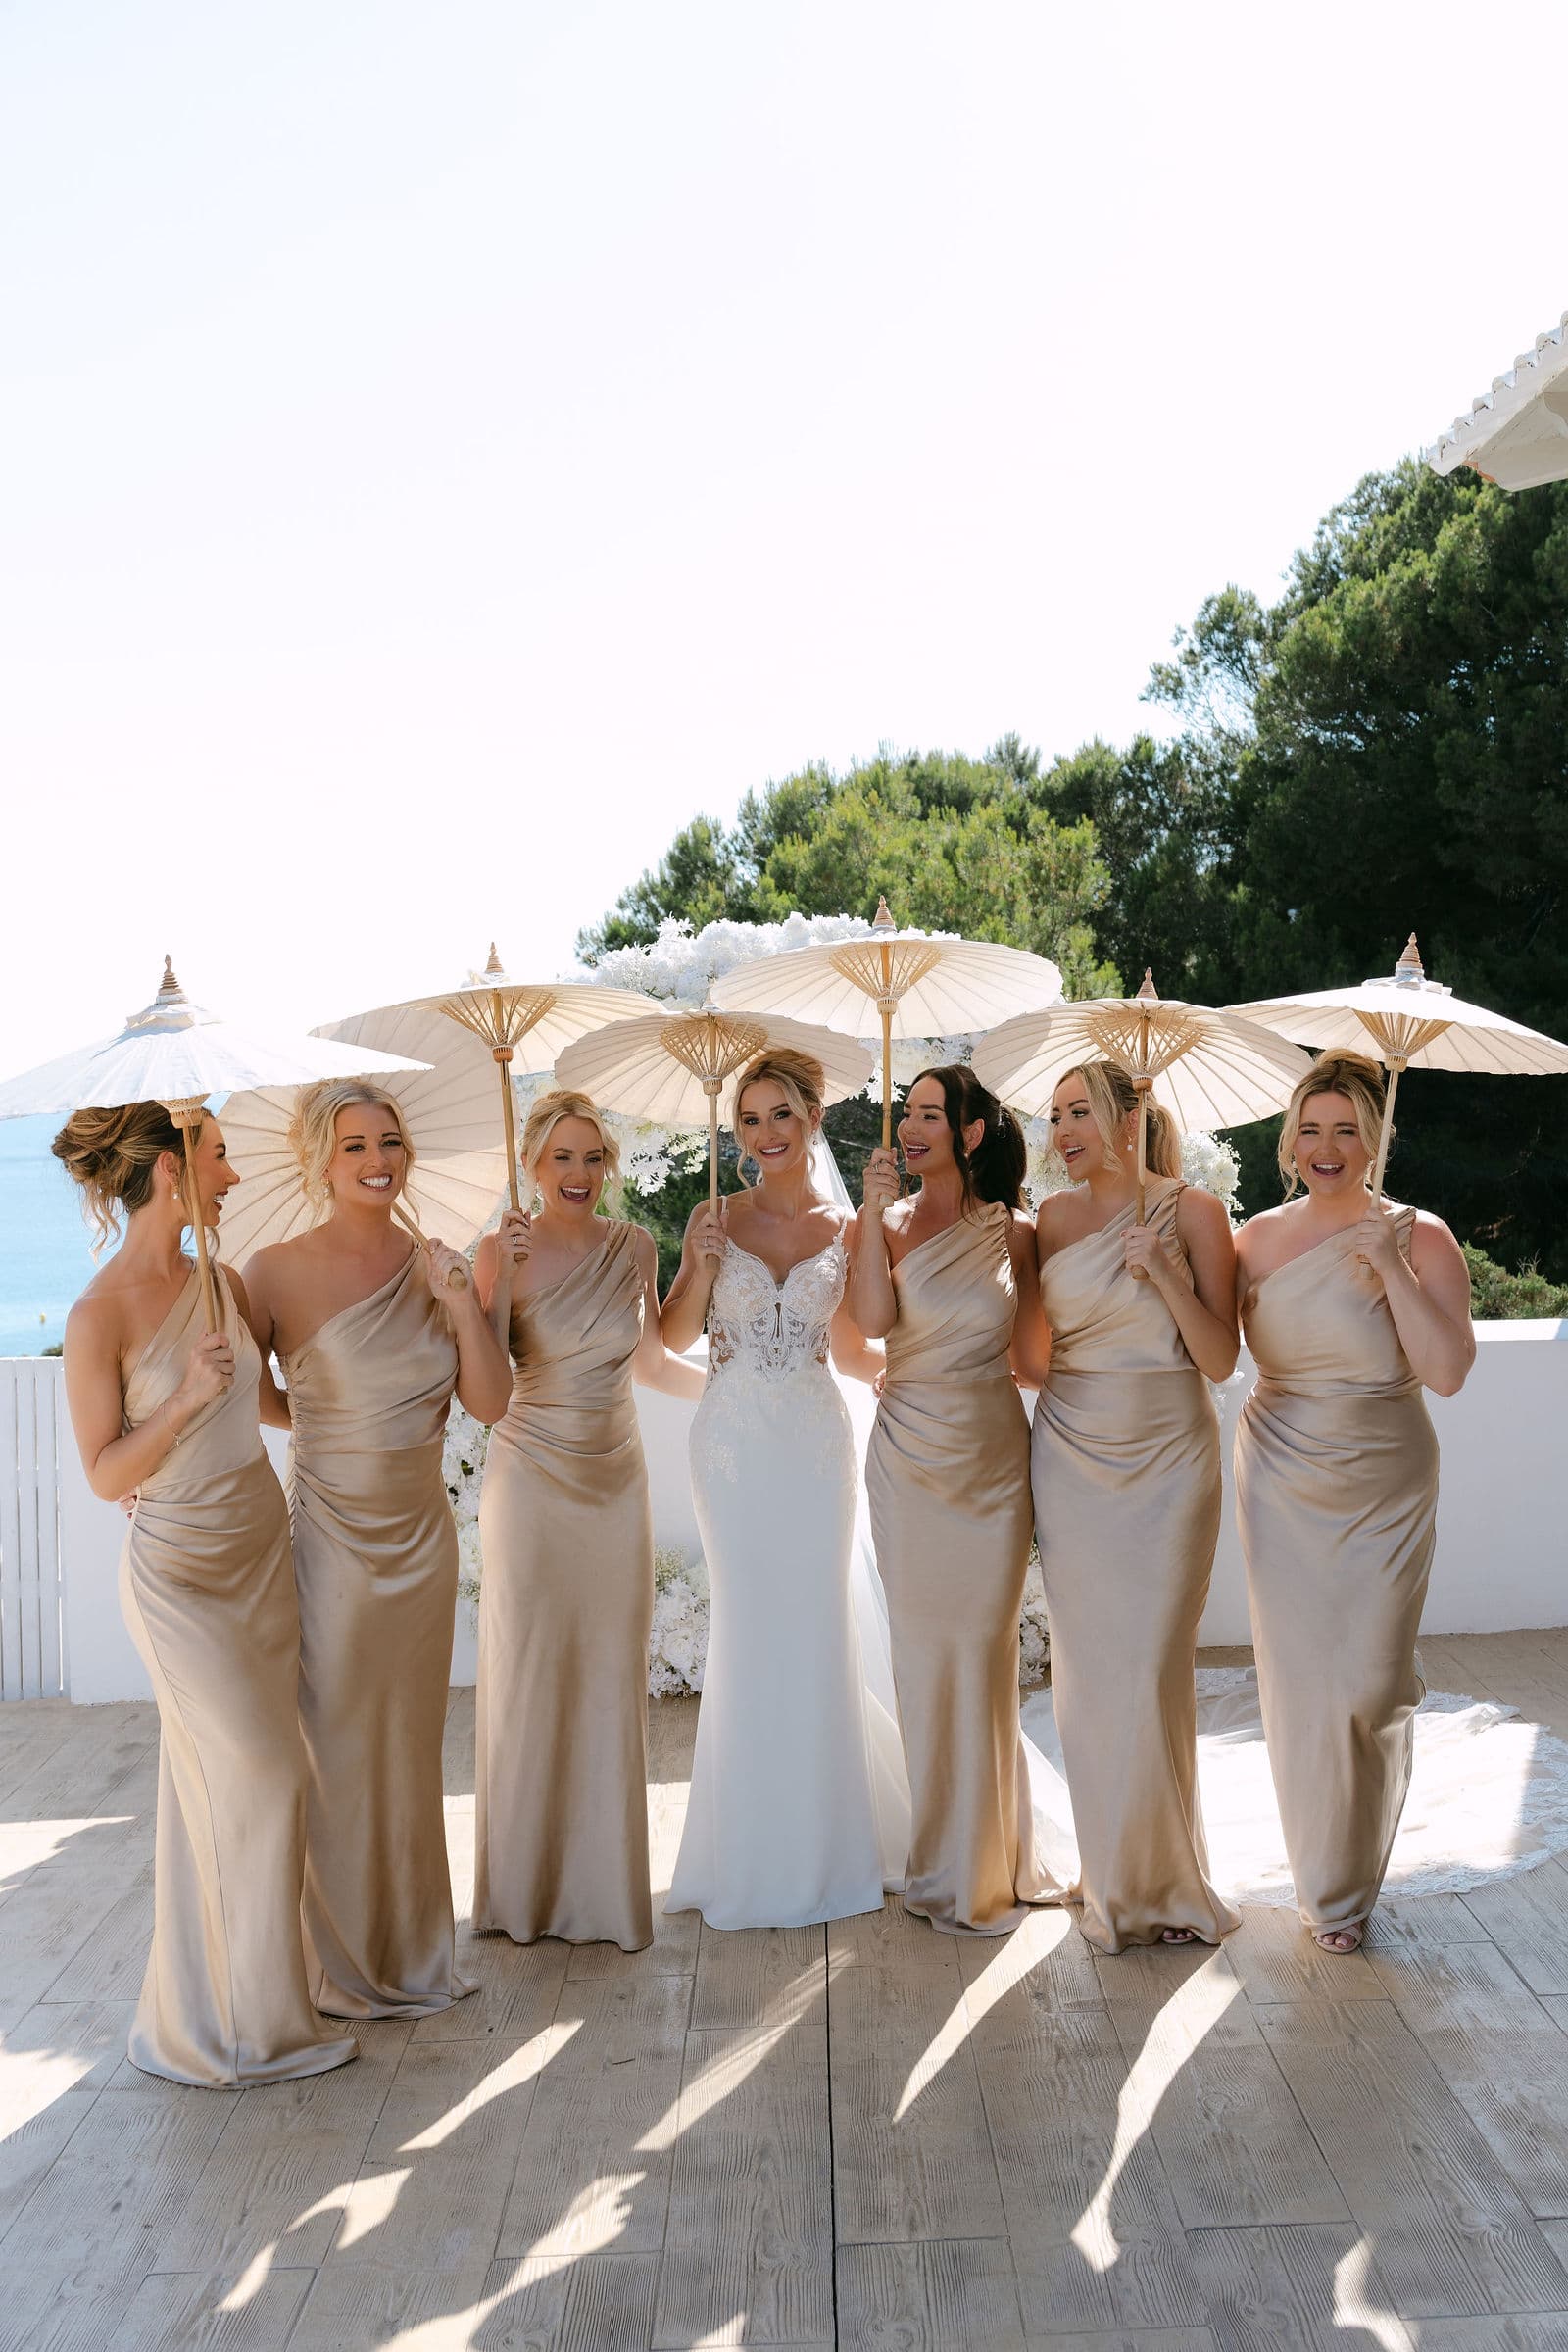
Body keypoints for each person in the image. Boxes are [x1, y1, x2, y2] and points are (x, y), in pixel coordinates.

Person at [52, 1102, 356, 2086]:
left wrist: (375, 1406)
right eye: (220, 1158)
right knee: (259, 1776)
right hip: (181, 1576)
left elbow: (280, 1400)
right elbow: (104, 1474)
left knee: (238, 1790)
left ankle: (239, 2006)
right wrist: (182, 1398)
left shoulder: (223, 1282)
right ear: (175, 1174)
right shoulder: (97, 1315)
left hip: (262, 1552)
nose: (233, 1174)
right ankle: (238, 2034)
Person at [242, 1081, 511, 2017]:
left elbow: (489, 1402)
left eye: (389, 1140)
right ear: (321, 1158)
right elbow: (241, 1394)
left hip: (419, 1541)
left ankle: (412, 1947)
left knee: (407, 1747)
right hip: (329, 1539)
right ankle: (341, 1962)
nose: (376, 1158)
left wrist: (462, 1303)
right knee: (337, 1747)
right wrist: (314, 1422)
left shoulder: (438, 1263)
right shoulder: (270, 1273)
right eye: (354, 1143)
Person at [662, 1049, 909, 1930]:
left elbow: (852, 1348)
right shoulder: (712, 1218)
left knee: (811, 1626)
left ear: (811, 1121)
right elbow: (674, 1333)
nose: (767, 1134)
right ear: (737, 1135)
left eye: (782, 1116)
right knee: (747, 1627)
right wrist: (695, 1263)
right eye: (751, 1120)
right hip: (729, 1449)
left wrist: (934, 1364)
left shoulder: (848, 1229)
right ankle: (744, 1849)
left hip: (812, 1447)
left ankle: (821, 1846)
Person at [1234, 1050, 1474, 1953]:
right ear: (1290, 1141)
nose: (1326, 1146)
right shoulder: (1253, 1238)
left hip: (1387, 1474)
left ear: (1377, 1139)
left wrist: (1392, 1267)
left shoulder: (1424, 1236)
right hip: (1282, 1468)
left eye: (1347, 1130)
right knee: (1300, 1682)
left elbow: (1447, 1372)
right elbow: (1215, 1350)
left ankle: (1355, 1858)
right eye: (1311, 1129)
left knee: (1370, 1679)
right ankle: (1329, 1891)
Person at [472, 1089, 699, 1949]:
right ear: (532, 1165)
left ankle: (604, 1894)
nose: (579, 1174)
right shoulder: (502, 1248)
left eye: (592, 1157)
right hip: (530, 1480)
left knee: (610, 1674)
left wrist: (737, 1398)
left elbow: (650, 1360)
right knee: (532, 1674)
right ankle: (523, 1897)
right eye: (561, 1158)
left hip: (617, 1487)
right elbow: (486, 1388)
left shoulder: (635, 1245)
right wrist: (495, 1284)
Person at [1033, 1062, 1241, 1951]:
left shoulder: (1193, 1212)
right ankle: (1111, 1874)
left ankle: (1165, 1880)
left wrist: (1160, 1274)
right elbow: (1031, 1356)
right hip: (1071, 1453)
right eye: (1054, 1116)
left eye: (1081, 1110)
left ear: (1128, 1116)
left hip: (1169, 1459)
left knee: (1153, 1663)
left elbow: (1221, 1357)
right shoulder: (1048, 1220)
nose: (1064, 1129)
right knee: (1087, 1670)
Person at [852, 1066, 1053, 1935]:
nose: (911, 1127)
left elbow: (1037, 1359)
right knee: (923, 1659)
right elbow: (864, 1323)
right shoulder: (888, 1227)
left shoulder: (1016, 1233)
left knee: (983, 1653)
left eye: (931, 1115)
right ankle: (942, 1862)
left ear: (971, 1133)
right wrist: (867, 1215)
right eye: (907, 1113)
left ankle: (993, 1862)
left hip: (992, 1460)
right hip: (907, 1460)